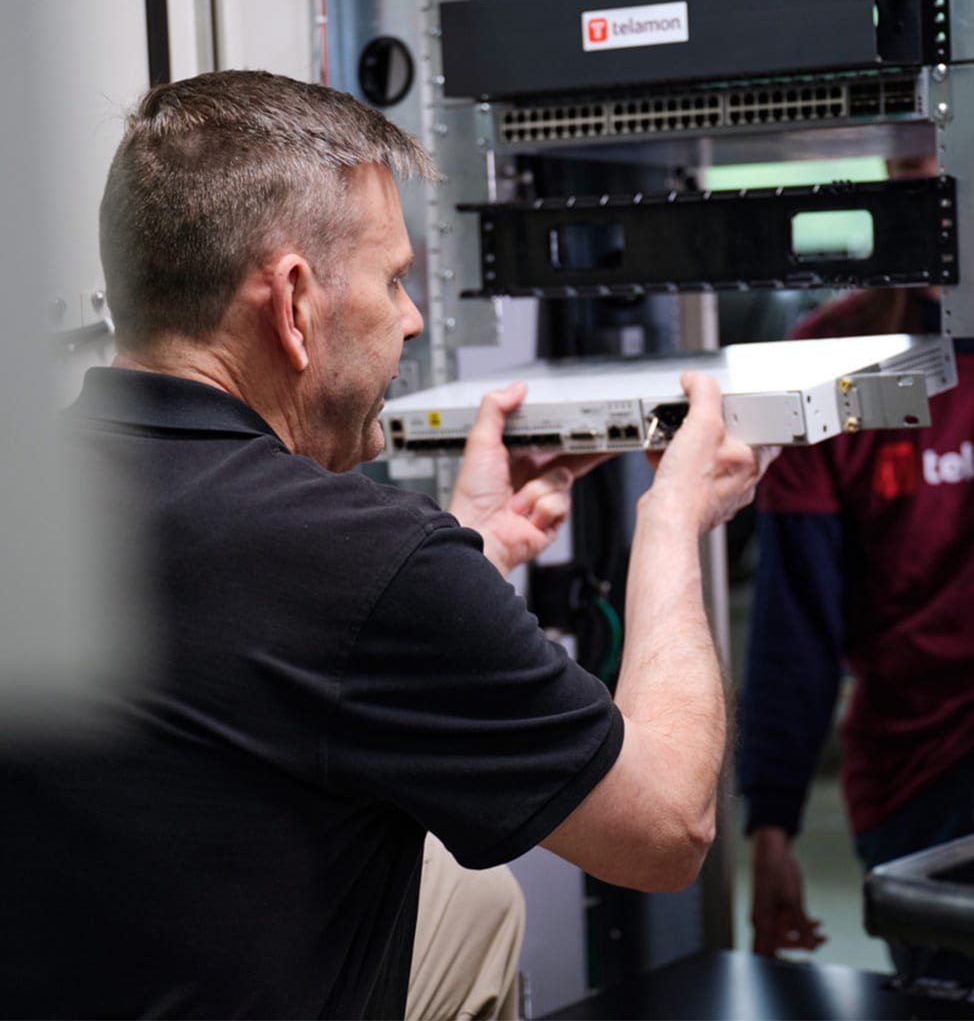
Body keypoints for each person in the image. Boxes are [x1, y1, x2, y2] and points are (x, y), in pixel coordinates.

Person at [0, 70, 768, 1018]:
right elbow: (669, 830)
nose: (411, 317)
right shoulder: (359, 558)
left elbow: (255, 644)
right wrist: (673, 522)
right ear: (293, 301)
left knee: (470, 897)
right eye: (395, 279)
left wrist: (471, 545)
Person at [739, 219, 974, 983]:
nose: (941, 212)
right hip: (920, 771)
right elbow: (796, 617)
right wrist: (772, 822)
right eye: (915, 174)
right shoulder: (827, 364)